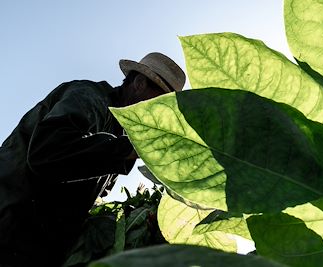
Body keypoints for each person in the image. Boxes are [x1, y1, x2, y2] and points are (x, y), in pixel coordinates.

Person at [0, 52, 186, 267]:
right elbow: (47, 152)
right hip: (11, 222)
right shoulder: (90, 97)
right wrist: (131, 149)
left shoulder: (119, 132)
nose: (160, 113)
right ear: (139, 83)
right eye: (160, 101)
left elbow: (88, 185)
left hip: (39, 244)